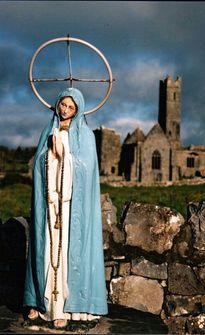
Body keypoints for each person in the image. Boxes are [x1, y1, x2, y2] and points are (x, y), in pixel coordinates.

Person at [23, 87, 108, 330]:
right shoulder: (48, 130)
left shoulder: (86, 136)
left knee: (68, 253)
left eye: (71, 107)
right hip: (50, 202)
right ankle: (42, 303)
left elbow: (86, 170)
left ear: (78, 109)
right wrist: (50, 153)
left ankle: (64, 308)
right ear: (58, 104)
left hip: (72, 207)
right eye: (63, 104)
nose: (65, 110)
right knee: (46, 249)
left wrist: (66, 156)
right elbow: (38, 164)